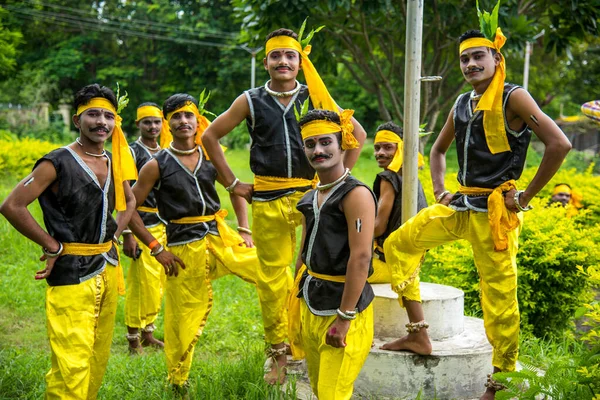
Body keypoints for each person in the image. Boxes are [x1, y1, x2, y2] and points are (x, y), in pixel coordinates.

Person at [380, 24, 571, 400]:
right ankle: (419, 334)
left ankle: (499, 382)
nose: (470, 64)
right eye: (464, 58)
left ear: (496, 59)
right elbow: (437, 150)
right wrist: (439, 191)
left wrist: (526, 196)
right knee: (399, 243)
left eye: (477, 56)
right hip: (462, 206)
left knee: (499, 299)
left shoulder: (514, 98)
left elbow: (559, 144)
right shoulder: (461, 103)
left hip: (496, 215)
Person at [202, 27, 367, 384]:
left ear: (299, 61)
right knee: (272, 279)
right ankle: (277, 350)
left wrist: (341, 179)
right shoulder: (250, 99)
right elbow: (209, 136)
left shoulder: (315, 96)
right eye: (276, 56)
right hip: (267, 196)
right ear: (265, 63)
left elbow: (357, 133)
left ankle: (311, 336)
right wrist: (232, 182)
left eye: (290, 55)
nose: (283, 62)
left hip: (313, 196)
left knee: (316, 266)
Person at [0, 83, 136, 399]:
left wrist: (113, 236)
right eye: (93, 114)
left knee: (96, 356)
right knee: (71, 361)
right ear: (77, 119)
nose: (101, 122)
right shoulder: (57, 162)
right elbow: (12, 205)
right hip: (72, 273)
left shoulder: (116, 160)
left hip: (106, 266)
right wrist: (52, 245)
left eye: (108, 116)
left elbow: (129, 201)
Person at [127, 93, 257, 390]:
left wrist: (246, 230)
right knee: (182, 317)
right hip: (183, 247)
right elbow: (129, 208)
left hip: (220, 235)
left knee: (271, 271)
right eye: (176, 117)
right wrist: (156, 248)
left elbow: (234, 187)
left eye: (188, 116)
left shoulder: (211, 155)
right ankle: (178, 379)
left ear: (197, 119)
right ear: (166, 124)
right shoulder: (156, 165)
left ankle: (287, 343)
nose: (183, 122)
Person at [289, 109, 375, 399]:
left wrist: (344, 317)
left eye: (326, 142)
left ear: (342, 144)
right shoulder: (310, 196)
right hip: (312, 301)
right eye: (310, 144)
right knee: (318, 388)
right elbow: (304, 250)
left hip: (343, 307)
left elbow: (361, 258)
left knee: (331, 393)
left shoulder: (355, 194)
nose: (318, 150)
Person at [122, 102, 169, 354]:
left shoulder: (164, 151)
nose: (152, 127)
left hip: (163, 225)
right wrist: (128, 235)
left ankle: (148, 332)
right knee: (141, 285)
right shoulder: (131, 153)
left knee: (157, 284)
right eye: (147, 122)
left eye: (156, 121)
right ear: (137, 124)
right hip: (140, 226)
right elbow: (124, 195)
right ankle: (132, 338)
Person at [369, 122, 428, 283]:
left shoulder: (389, 178)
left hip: (389, 266)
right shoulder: (411, 177)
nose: (380, 153)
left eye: (388, 147)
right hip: (410, 264)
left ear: (401, 149)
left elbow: (378, 227)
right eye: (377, 148)